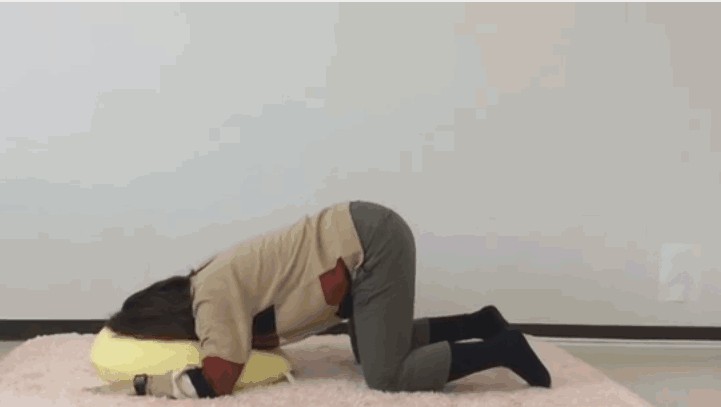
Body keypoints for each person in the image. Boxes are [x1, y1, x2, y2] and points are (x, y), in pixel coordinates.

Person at [105, 201, 551, 398]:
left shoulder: (210, 299)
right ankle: (480, 323)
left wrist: (147, 385)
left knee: (387, 374)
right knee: (371, 350)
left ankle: (503, 349)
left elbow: (219, 377)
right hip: (363, 236)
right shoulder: (207, 282)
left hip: (369, 246)